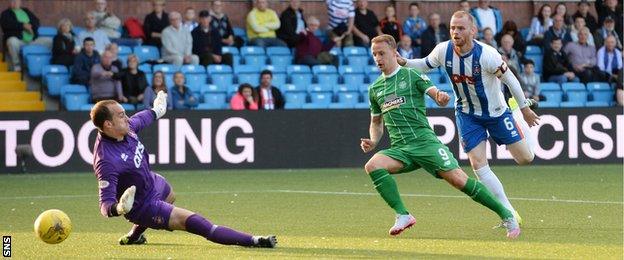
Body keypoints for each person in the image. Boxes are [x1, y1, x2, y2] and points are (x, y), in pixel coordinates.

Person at [364, 34, 521, 238]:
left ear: (394, 53)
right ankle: (403, 214)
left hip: (425, 144)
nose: (378, 58)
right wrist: (374, 140)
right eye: (374, 54)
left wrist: (440, 97)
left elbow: (434, 92)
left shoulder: (411, 75)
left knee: (459, 180)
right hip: (401, 150)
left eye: (382, 53)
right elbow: (376, 123)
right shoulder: (375, 88)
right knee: (373, 165)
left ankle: (506, 214)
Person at [398, 11, 540, 227]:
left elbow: (510, 79)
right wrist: (403, 62)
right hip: (467, 114)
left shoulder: (487, 55)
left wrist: (524, 109)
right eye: (453, 28)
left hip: (497, 113)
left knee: (525, 158)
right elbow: (425, 64)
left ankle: (516, 115)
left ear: (473, 31)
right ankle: (508, 212)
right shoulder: (443, 50)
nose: (455, 32)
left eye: (461, 28)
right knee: (479, 165)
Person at [90, 94, 277, 247]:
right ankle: (254, 240)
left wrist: (158, 108)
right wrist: (121, 208)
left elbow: (149, 115)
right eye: (121, 115)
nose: (127, 117)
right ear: (108, 124)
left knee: (170, 194)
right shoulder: (106, 161)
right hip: (142, 206)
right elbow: (105, 207)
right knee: (197, 223)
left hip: (151, 182)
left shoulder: (127, 127)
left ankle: (134, 236)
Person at [0, 0, 51, 71]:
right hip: (19, 40)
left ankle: (50, 63)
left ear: (20, 2)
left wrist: (31, 27)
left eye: (16, 1)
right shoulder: (5, 13)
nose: (15, 3)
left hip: (33, 40)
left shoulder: (26, 11)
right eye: (13, 1)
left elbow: (36, 21)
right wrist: (23, 26)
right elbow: (6, 25)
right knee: (11, 41)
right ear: (10, 3)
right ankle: (17, 65)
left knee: (50, 41)